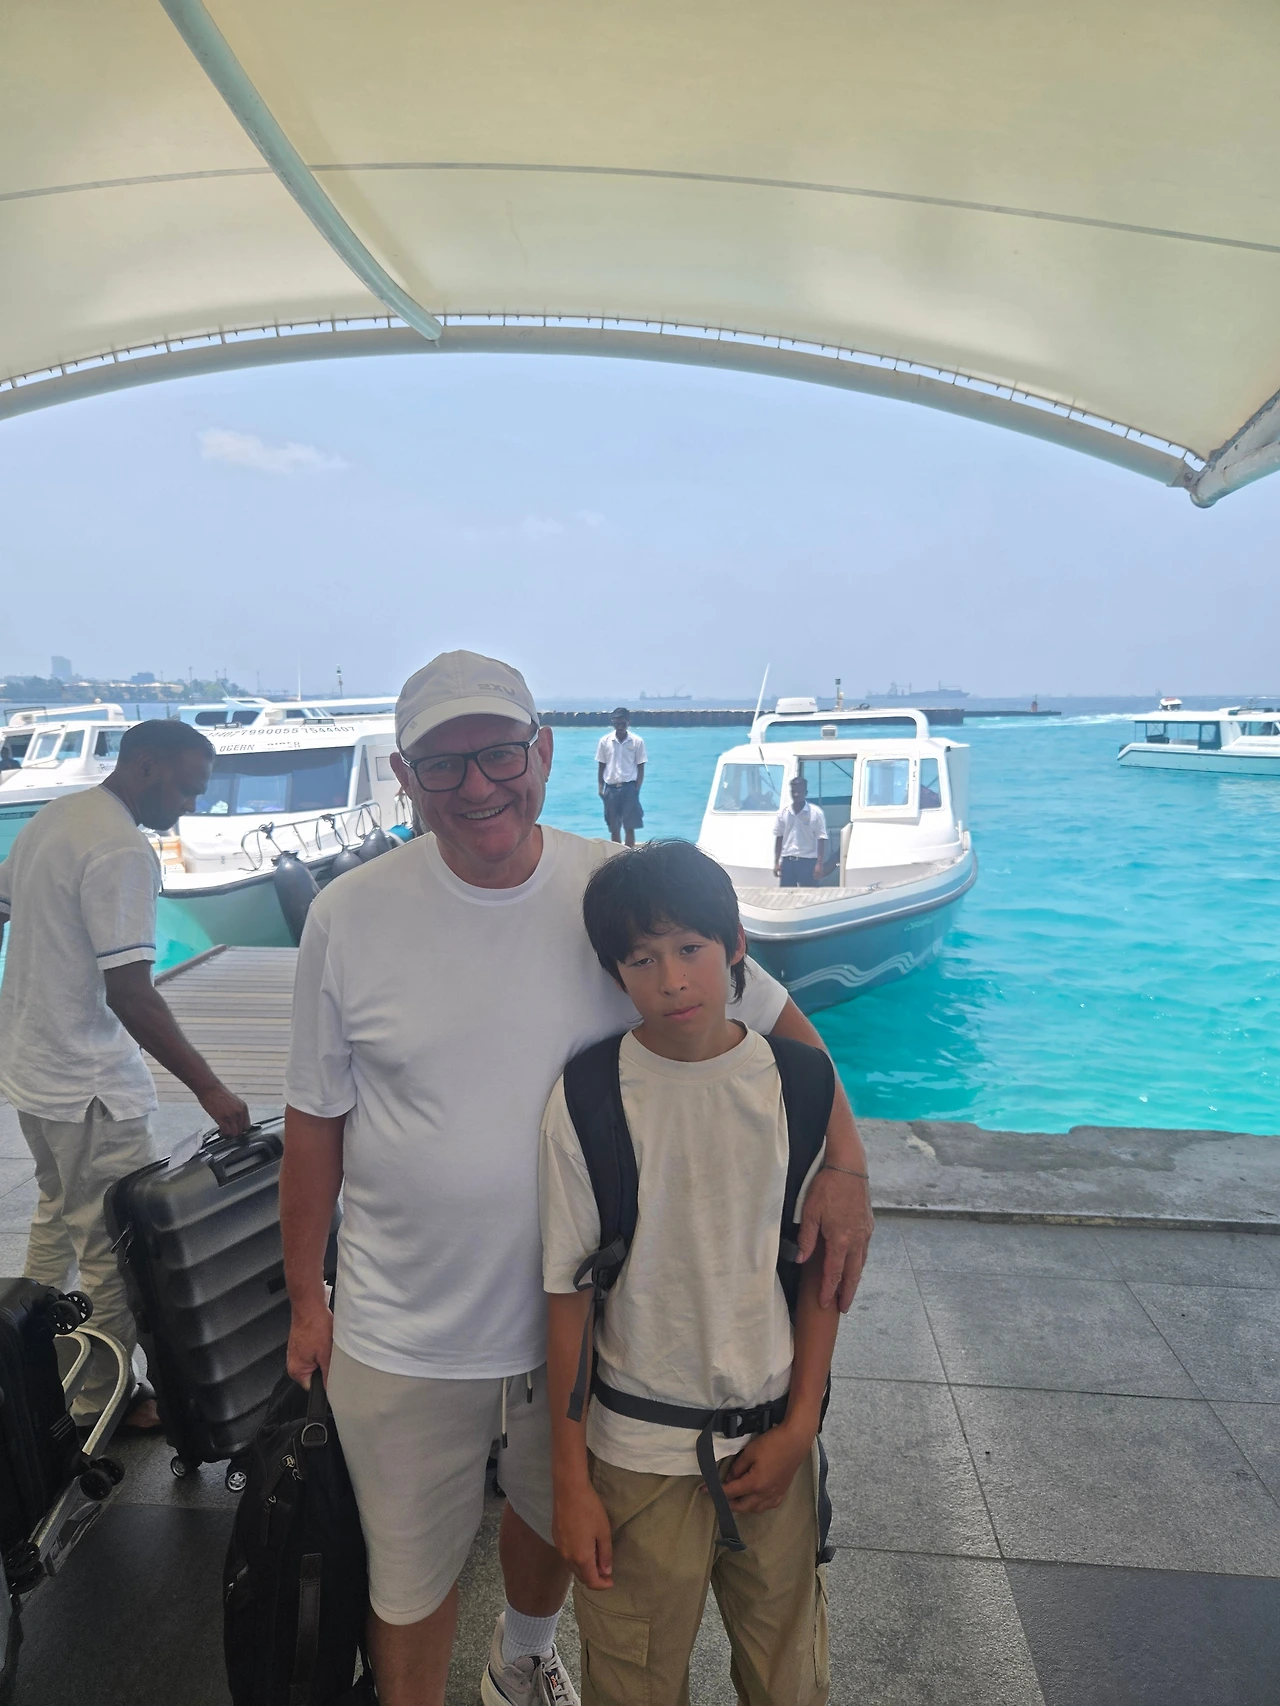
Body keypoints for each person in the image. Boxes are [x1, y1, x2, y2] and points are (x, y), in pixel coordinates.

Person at [280, 650, 873, 1706]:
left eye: (500, 754)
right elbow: (314, 1121)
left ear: (545, 752)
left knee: (556, 1516)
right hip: (405, 1320)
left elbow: (779, 1023)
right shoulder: (348, 914)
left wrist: (849, 1168)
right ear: (404, 777)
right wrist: (304, 1298)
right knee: (407, 1574)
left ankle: (522, 1655)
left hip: (593, 1323)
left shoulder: (617, 898)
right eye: (443, 764)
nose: (478, 785)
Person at [542, 841, 841, 1706]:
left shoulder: (799, 1084)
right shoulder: (590, 1097)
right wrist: (570, 1481)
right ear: (616, 973)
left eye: (690, 948)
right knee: (632, 1680)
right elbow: (566, 1299)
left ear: (736, 944)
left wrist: (801, 1427)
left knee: (790, 1677)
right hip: (634, 1457)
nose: (672, 980)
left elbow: (822, 1273)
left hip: (774, 1446)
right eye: (642, 959)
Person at [0, 719, 250, 1428]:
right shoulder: (119, 849)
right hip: (89, 1087)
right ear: (144, 766)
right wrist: (209, 1087)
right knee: (115, 1249)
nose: (191, 806)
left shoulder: (59, 816)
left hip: (34, 1067)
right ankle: (102, 1402)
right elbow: (131, 992)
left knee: (59, 1219)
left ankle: (28, 1366)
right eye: (187, 788)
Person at [596, 709, 646, 847]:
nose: (620, 726)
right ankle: (617, 854)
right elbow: (601, 766)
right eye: (617, 723)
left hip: (629, 788)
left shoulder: (637, 742)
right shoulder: (605, 741)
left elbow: (641, 767)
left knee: (630, 827)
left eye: (622, 723)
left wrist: (637, 788)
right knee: (614, 827)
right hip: (611, 789)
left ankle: (629, 854)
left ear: (628, 722)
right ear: (612, 722)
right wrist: (600, 788)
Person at [773, 775, 828, 888]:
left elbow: (821, 839)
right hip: (788, 861)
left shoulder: (816, 813)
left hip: (808, 862)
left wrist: (819, 863)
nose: (796, 795)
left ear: (805, 793)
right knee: (786, 894)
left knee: (809, 894)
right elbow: (779, 837)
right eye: (794, 792)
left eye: (799, 792)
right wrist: (776, 862)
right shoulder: (783, 812)